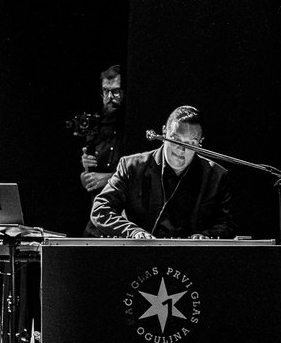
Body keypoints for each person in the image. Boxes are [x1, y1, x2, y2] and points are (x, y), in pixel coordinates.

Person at [90, 105, 234, 239]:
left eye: (191, 143)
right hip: (142, 253)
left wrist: (205, 236)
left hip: (192, 255)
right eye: (176, 140)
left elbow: (228, 225)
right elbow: (101, 209)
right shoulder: (132, 167)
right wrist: (133, 232)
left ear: (200, 142)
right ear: (164, 132)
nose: (181, 149)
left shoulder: (217, 176)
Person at [78, 64, 125, 236]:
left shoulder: (131, 126)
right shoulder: (96, 126)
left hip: (124, 218)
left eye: (116, 92)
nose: (109, 97)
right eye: (106, 91)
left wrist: (107, 178)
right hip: (97, 218)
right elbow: (88, 178)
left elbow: (140, 174)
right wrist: (86, 175)